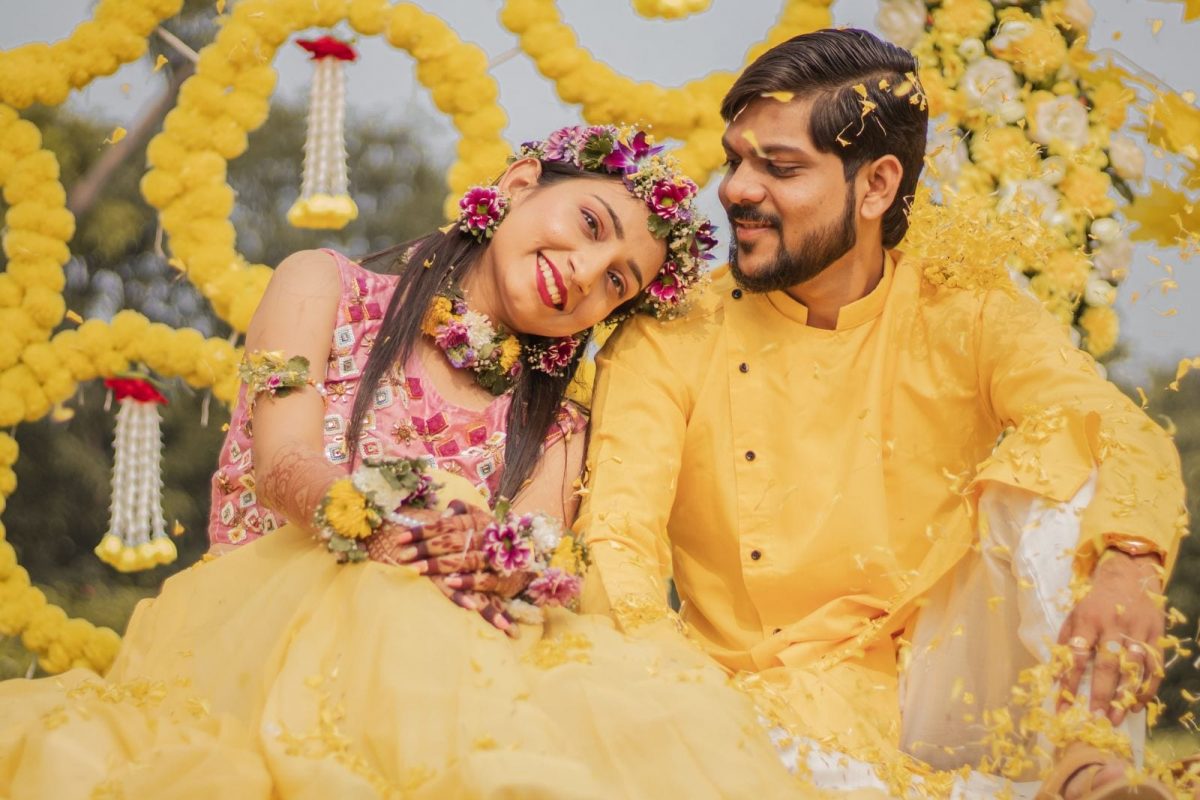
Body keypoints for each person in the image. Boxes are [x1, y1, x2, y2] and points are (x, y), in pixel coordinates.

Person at [0, 125, 815, 799]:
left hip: (443, 680)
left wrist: (496, 566)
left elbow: (528, 554)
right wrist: (387, 526)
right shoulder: (320, 286)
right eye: (592, 226)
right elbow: (280, 463)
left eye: (616, 283)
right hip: (253, 633)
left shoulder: (561, 428)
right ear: (523, 181)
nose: (584, 274)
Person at [576, 29, 1189, 800]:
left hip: (947, 677)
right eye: (737, 158)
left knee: (1069, 464)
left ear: (876, 187)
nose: (735, 188)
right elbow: (616, 541)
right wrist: (667, 693)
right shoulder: (672, 335)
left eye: (781, 167)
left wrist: (1130, 563)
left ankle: (1088, 762)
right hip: (758, 697)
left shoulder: (961, 302)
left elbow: (1112, 425)